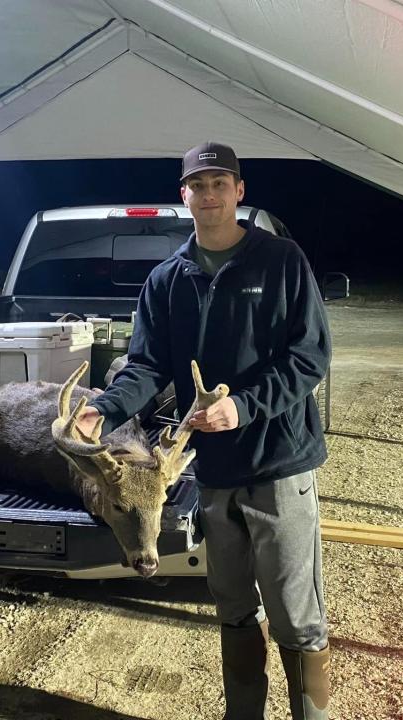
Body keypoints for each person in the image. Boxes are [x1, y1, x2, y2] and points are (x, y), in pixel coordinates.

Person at [77, 141, 332, 720]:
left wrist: (243, 407)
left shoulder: (282, 261)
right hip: (213, 470)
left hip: (278, 461)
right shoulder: (167, 280)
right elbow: (145, 366)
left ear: (239, 192)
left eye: (221, 183)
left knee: (295, 613)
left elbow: (310, 357)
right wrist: (105, 410)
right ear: (184, 195)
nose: (210, 194)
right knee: (233, 605)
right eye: (199, 184)